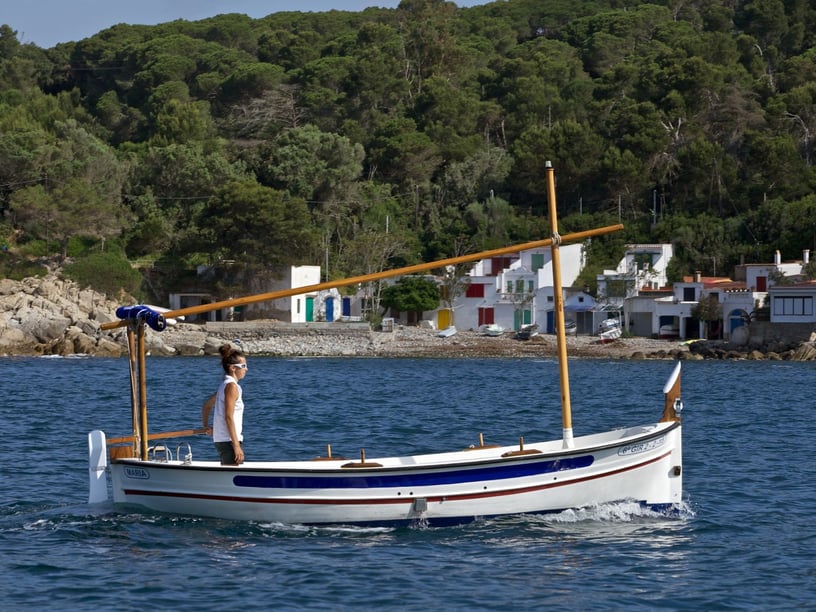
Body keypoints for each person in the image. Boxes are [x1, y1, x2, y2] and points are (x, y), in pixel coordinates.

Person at [201, 344, 248, 465]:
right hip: (229, 441)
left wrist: (206, 426)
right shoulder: (231, 387)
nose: (246, 369)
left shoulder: (224, 386)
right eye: (243, 366)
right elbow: (228, 416)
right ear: (233, 368)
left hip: (222, 440)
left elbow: (207, 405)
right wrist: (236, 445)